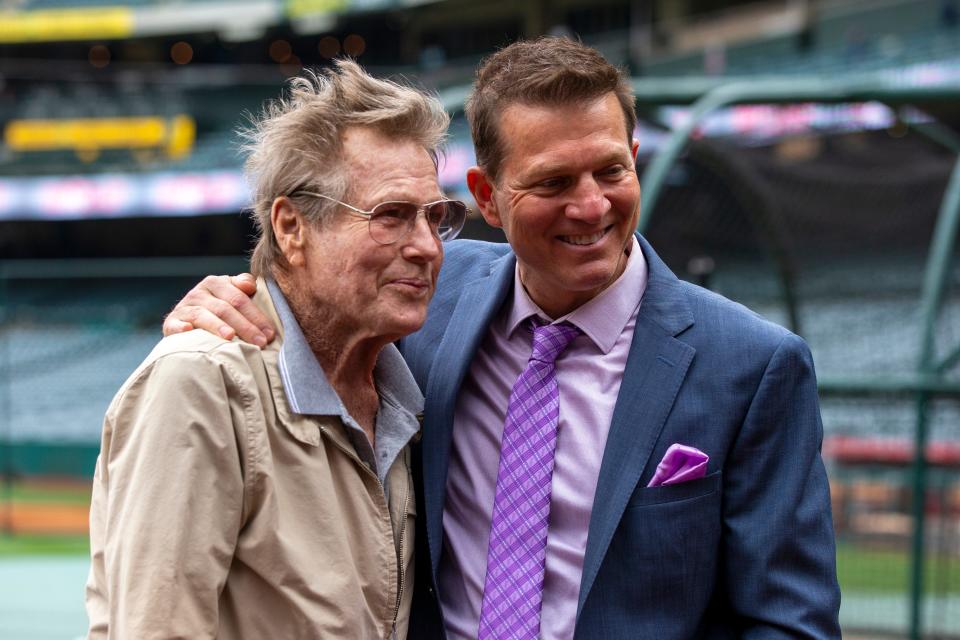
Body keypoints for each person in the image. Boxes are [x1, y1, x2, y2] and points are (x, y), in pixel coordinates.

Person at [164, 38, 841, 638]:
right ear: (486, 197)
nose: (592, 205)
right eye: (552, 182)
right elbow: (316, 281)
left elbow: (790, 622)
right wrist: (238, 296)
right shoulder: (424, 299)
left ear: (635, 159)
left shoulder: (752, 365)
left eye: (611, 170)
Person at [86, 59, 468, 638]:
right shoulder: (200, 383)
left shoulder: (397, 386)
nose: (426, 247)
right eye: (391, 216)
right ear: (291, 228)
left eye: (435, 217)